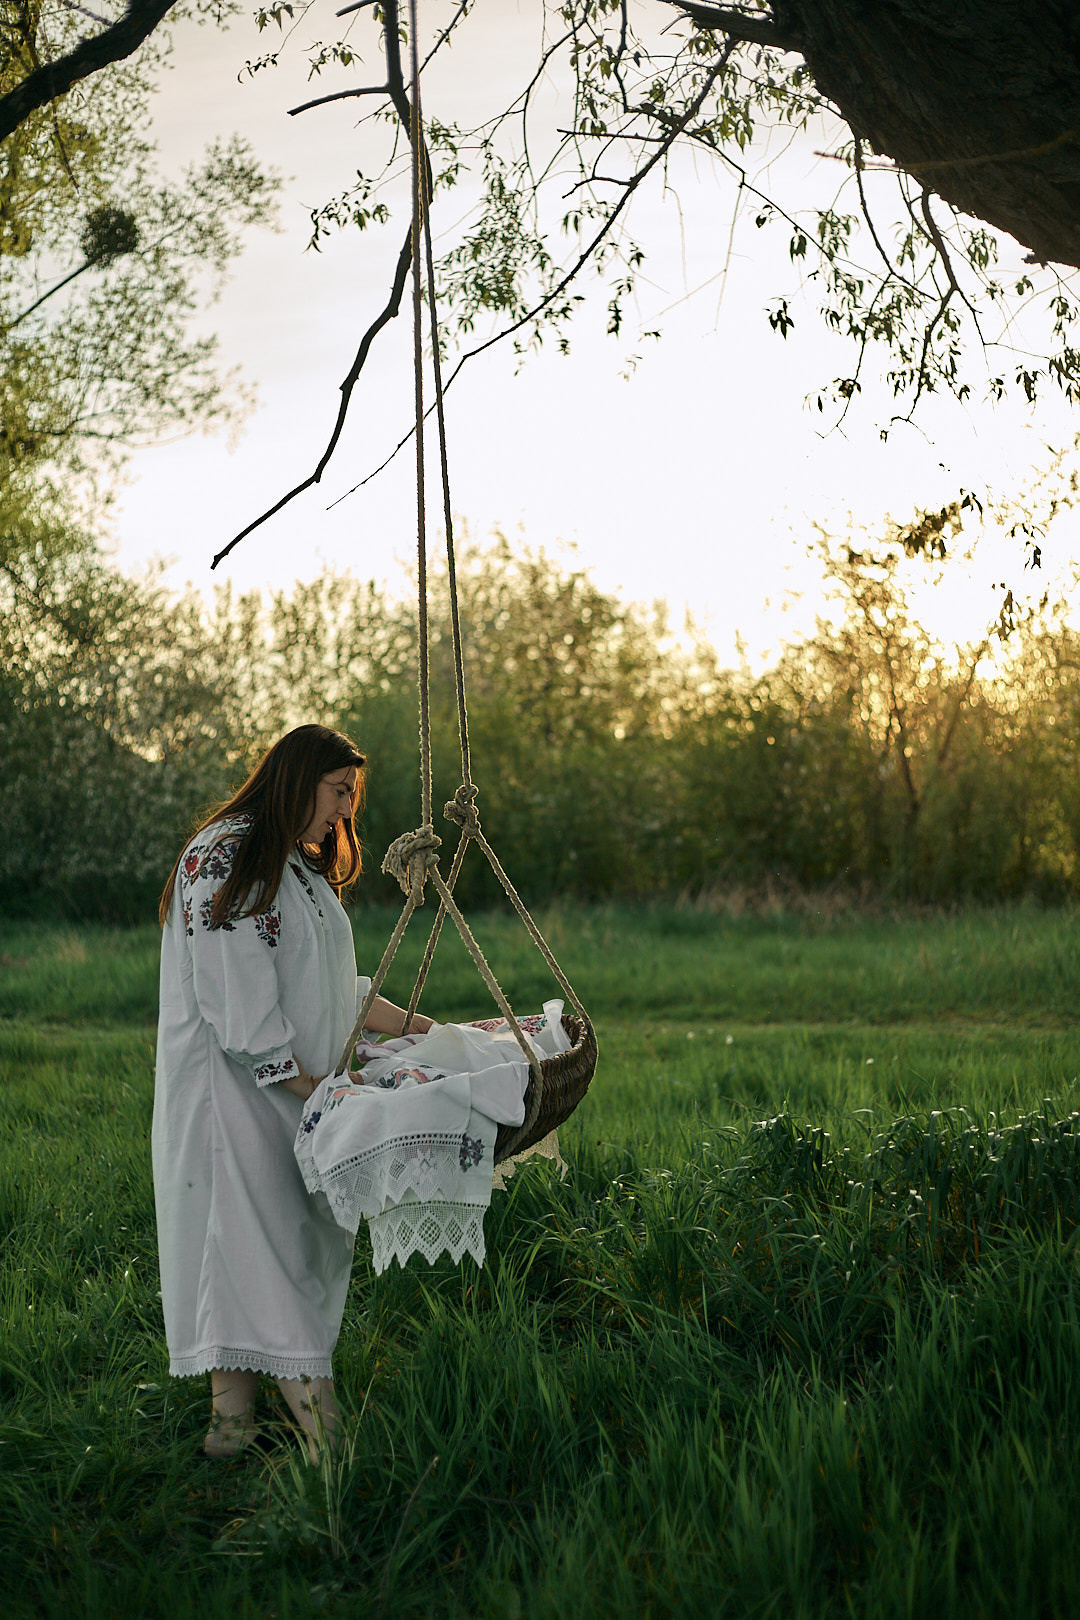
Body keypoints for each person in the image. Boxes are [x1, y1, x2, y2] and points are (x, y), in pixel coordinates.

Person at [153, 724, 433, 1460]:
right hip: (235, 1098)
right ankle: (327, 1443)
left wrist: (435, 1032)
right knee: (259, 1251)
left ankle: (229, 1433)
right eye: (339, 792)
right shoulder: (223, 855)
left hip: (294, 1095)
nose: (345, 812)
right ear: (296, 777)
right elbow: (234, 995)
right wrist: (308, 1082)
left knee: (258, 1250)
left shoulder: (295, 866)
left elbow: (337, 990)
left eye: (352, 798)